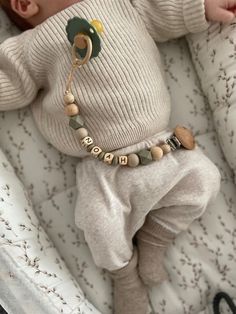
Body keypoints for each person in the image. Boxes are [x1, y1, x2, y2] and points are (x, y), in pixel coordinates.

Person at [0, 0, 232, 313]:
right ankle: (125, 278)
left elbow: (164, 11)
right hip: (103, 169)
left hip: (163, 147)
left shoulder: (122, 5)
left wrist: (201, 7)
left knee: (205, 179)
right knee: (99, 227)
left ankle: (153, 242)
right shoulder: (30, 47)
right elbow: (10, 82)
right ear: (25, 4)